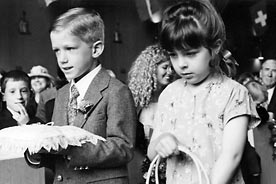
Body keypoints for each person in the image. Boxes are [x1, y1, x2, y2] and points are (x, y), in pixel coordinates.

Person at [147, 1, 260, 184]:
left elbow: (232, 155)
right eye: (173, 55)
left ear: (215, 47)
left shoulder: (234, 93)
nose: (181, 64)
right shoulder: (169, 94)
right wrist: (162, 141)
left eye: (190, 53)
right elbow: (152, 152)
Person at [24, 7, 137, 184]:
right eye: (57, 51)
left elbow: (123, 147)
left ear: (96, 49)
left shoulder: (116, 91)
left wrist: (74, 149)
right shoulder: (61, 94)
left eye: (70, 48)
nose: (62, 59)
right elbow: (59, 156)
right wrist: (39, 151)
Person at [127, 43, 175, 184]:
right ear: (151, 69)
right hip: (139, 171)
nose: (170, 72)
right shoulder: (135, 104)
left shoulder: (175, 98)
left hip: (170, 169)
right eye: (165, 67)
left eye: (172, 67)